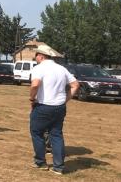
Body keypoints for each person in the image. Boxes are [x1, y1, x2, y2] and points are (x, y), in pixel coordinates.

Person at [29, 45, 79, 175]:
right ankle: (59, 167)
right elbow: (75, 85)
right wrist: (65, 100)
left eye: (36, 56)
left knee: (37, 133)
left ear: (41, 56)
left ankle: (40, 162)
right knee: (56, 135)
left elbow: (35, 85)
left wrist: (31, 99)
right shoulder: (62, 69)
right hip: (59, 107)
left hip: (43, 106)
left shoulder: (38, 68)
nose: (36, 59)